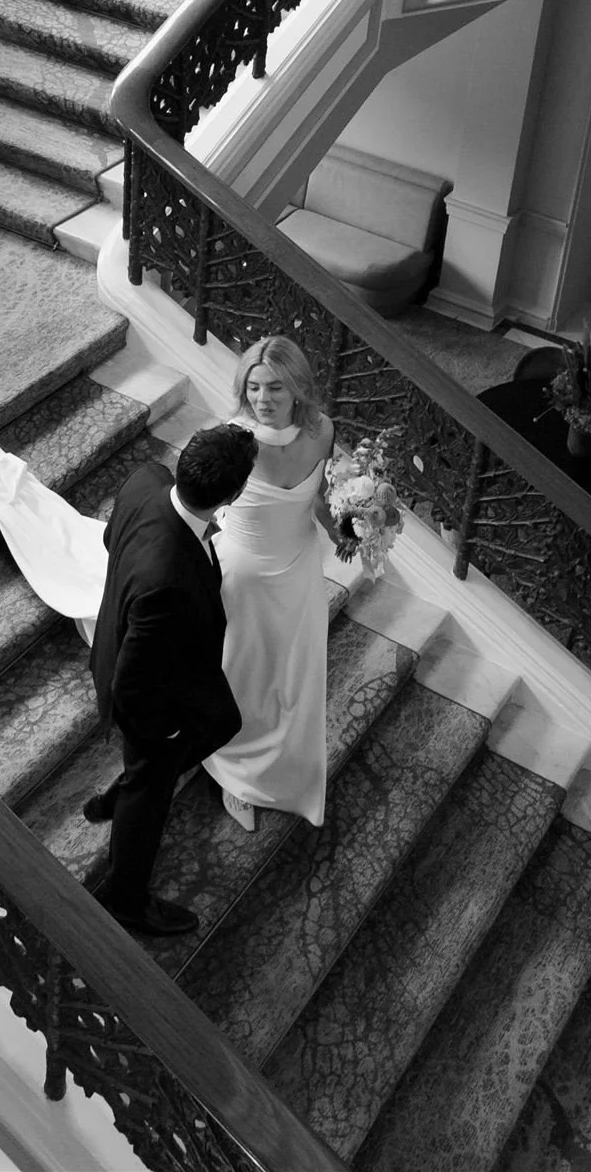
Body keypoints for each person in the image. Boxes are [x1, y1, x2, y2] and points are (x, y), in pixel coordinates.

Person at [85, 421, 258, 936]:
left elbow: (109, 534)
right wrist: (160, 735)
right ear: (234, 493)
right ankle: (124, 899)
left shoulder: (146, 479)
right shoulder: (168, 580)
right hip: (145, 695)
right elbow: (134, 686)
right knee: (152, 786)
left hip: (165, 664)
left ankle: (125, 789)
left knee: (224, 720)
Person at [205, 334, 348, 832]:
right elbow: (199, 506)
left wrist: (354, 529)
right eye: (254, 387)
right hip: (244, 579)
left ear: (298, 391)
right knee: (244, 675)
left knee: (294, 679)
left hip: (301, 573)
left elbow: (324, 501)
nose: (263, 400)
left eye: (275, 389)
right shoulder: (231, 439)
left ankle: (287, 767)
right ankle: (235, 773)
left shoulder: (322, 431)